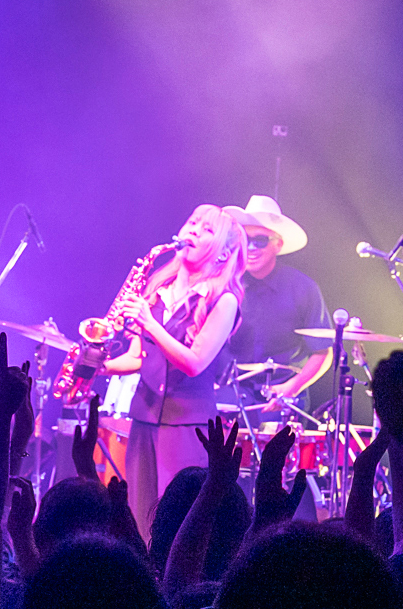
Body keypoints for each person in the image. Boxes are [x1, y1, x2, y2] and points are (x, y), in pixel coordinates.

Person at [105, 205, 246, 538]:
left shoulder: (224, 300)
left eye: (207, 229)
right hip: (144, 418)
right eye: (192, 222)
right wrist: (99, 366)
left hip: (186, 425)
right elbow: (138, 357)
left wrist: (151, 324)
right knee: (139, 518)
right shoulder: (157, 289)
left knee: (175, 523)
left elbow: (195, 362)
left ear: (224, 253)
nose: (193, 230)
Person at [221, 195, 331, 414]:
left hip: (283, 397)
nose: (251, 247)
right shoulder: (227, 284)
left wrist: (293, 387)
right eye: (246, 239)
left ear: (278, 245)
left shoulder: (304, 288)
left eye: (260, 240)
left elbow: (322, 353)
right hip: (231, 393)